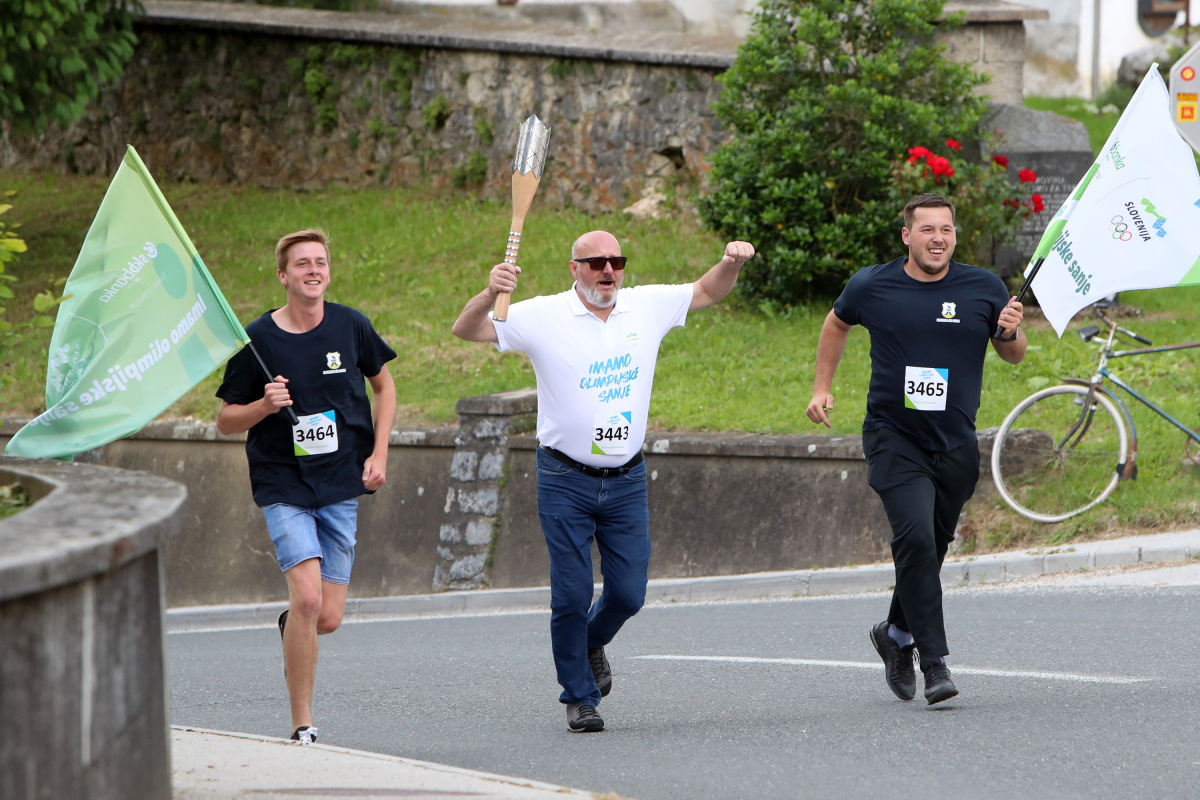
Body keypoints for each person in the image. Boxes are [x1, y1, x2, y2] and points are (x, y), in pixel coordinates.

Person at [452, 231, 754, 732]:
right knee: (571, 594)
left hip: (626, 478)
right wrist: (490, 293)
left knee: (629, 593)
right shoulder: (543, 315)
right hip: (563, 477)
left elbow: (706, 290)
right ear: (575, 269)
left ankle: (591, 641)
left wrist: (731, 262)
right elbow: (467, 329)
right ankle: (580, 696)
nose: (608, 270)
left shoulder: (645, 306)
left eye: (616, 261)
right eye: (596, 263)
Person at [806, 193, 1026, 705]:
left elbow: (1013, 355)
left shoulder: (984, 287)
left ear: (955, 236)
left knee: (933, 545)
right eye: (927, 230)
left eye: (946, 230)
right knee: (916, 542)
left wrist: (1012, 331)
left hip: (955, 442)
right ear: (907, 236)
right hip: (894, 437)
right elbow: (836, 322)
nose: (937, 239)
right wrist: (821, 387)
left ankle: (894, 633)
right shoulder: (873, 285)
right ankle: (934, 663)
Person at [216, 229, 397, 743]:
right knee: (310, 599)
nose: (313, 270)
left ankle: (293, 622)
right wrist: (263, 405)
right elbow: (226, 420)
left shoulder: (351, 325)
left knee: (327, 617)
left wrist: (380, 452)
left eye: (320, 262)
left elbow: (384, 386)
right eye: (302, 263)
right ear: (283, 275)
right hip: (283, 484)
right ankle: (302, 723)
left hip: (340, 482)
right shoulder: (258, 340)